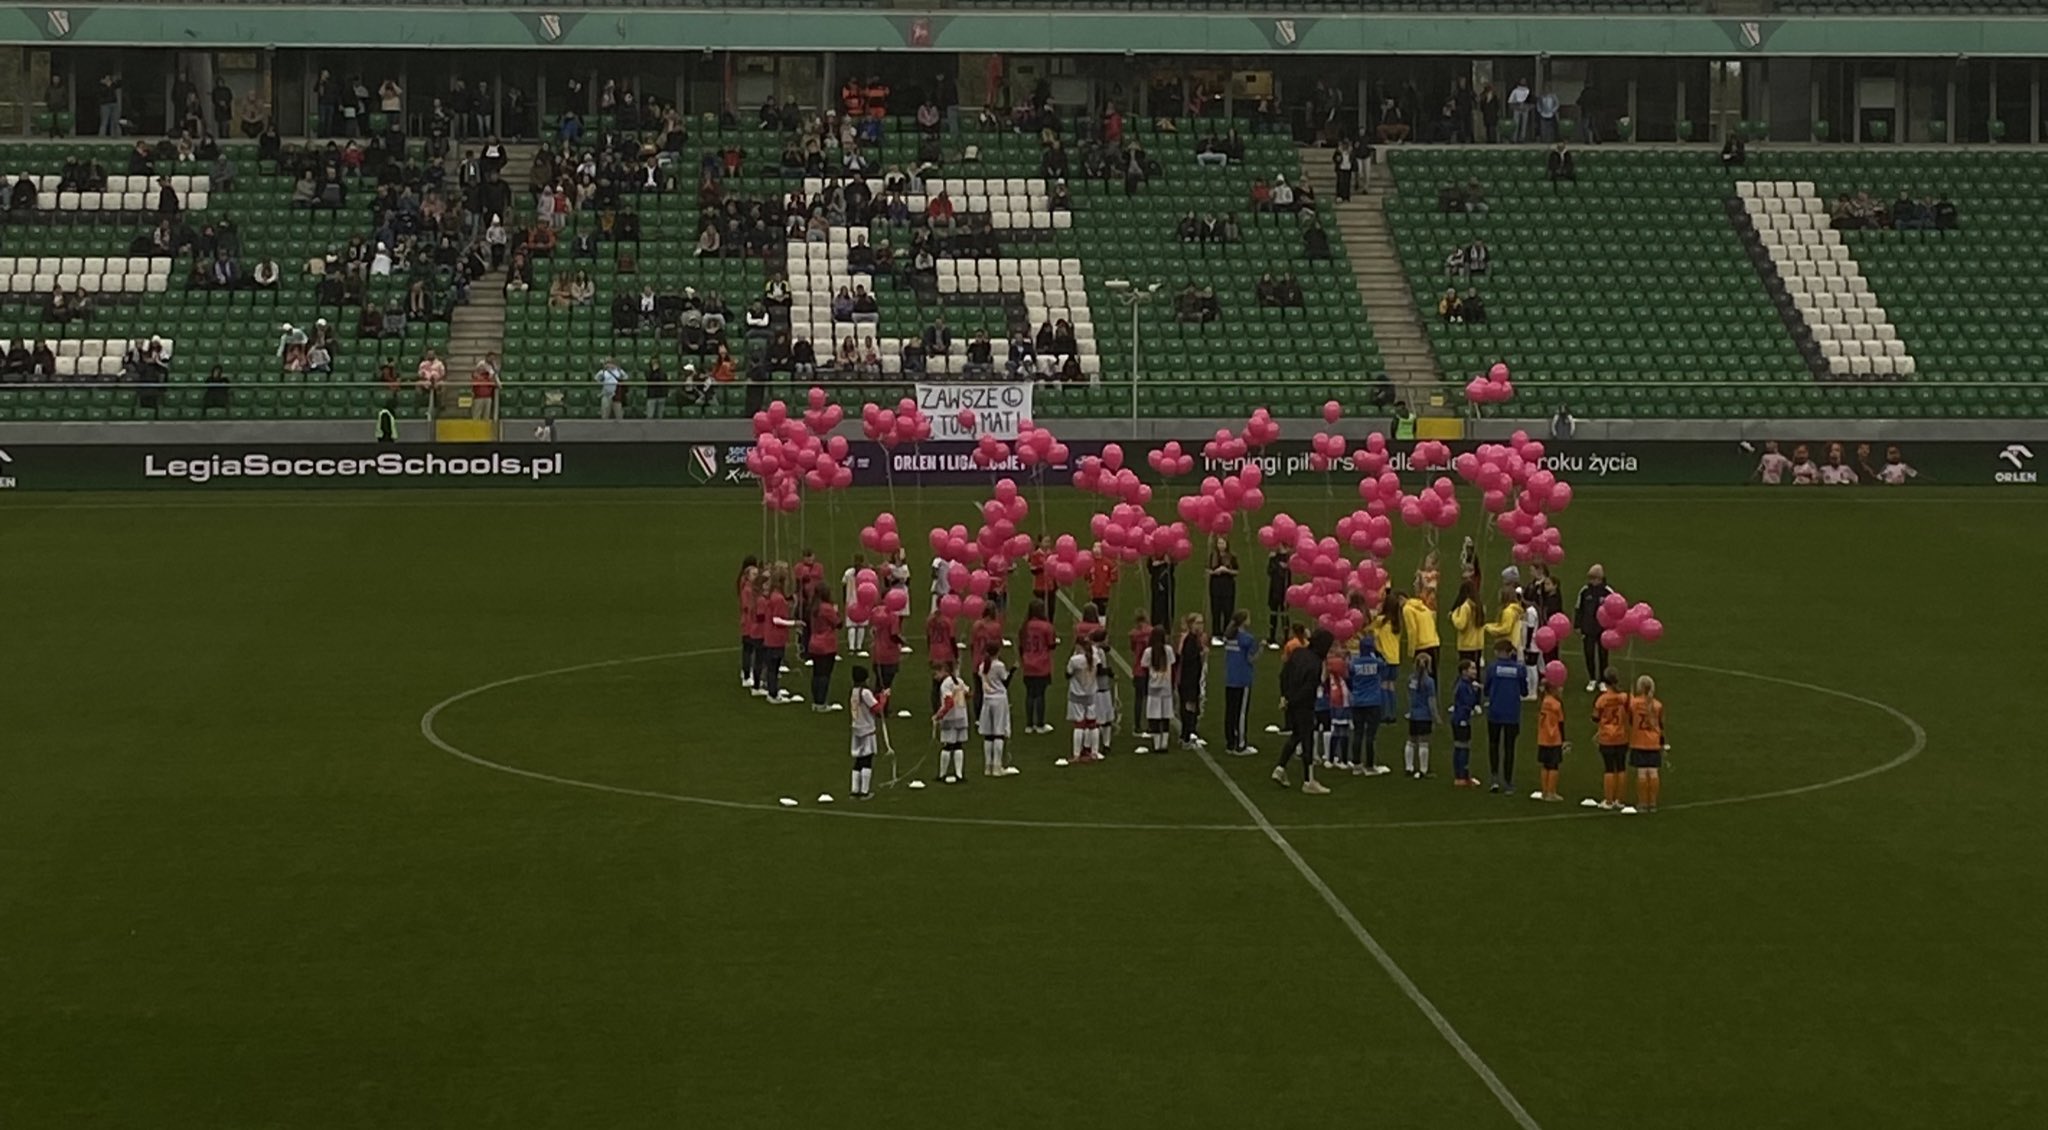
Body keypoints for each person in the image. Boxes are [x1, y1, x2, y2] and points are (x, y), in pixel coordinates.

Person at [1271, 628, 1333, 794]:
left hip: (1291, 700)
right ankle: (1308, 780)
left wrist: (1285, 697)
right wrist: (1291, 701)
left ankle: (1280, 767)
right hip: (1303, 705)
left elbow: (1284, 675)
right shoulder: (1315, 664)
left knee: (1297, 735)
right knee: (1307, 740)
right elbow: (1308, 689)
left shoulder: (1298, 653)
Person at [1484, 641, 1527, 794]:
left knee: (1493, 745)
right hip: (1512, 713)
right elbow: (1524, 691)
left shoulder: (1492, 668)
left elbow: (1486, 690)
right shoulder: (1519, 669)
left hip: (1495, 712)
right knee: (1509, 748)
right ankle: (1508, 782)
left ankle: (1494, 779)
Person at [1346, 630, 1388, 776]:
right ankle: (1370, 765)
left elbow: (1348, 678)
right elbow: (1385, 663)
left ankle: (1356, 764)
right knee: (1371, 735)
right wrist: (1377, 652)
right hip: (1373, 701)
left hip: (1358, 701)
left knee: (1358, 733)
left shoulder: (1354, 663)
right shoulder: (1377, 663)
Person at [1627, 675, 1667, 813]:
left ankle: (1643, 803)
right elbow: (1661, 724)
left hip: (1638, 741)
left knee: (1642, 773)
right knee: (1653, 772)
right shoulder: (1658, 705)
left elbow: (1631, 720)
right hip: (1653, 742)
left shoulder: (1633, 703)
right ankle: (1653, 803)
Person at [758, 572, 800, 705]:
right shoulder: (778, 599)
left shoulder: (774, 596)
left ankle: (773, 690)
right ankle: (773, 694)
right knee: (773, 667)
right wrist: (794, 623)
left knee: (773, 667)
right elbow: (776, 619)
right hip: (775, 638)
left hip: (771, 637)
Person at [1222, 609, 1259, 756]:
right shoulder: (1247, 638)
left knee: (1230, 712)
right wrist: (1260, 649)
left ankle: (1230, 743)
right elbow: (1251, 659)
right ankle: (1241, 745)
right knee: (1241, 713)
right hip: (1242, 679)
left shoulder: (1229, 636)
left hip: (1230, 678)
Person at [1594, 669, 1631, 811]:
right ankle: (1619, 800)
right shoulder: (1624, 697)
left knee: (1609, 769)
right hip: (1621, 736)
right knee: (1621, 768)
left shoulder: (1602, 699)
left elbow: (1595, 717)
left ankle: (1608, 801)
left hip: (1606, 737)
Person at [1019, 599, 1058, 735]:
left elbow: (1020, 645)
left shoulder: (1025, 626)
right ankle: (1040, 724)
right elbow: (1052, 644)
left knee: (1030, 694)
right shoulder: (1046, 626)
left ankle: (1029, 724)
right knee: (1040, 694)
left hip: (1028, 663)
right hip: (1042, 664)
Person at [978, 644, 1017, 777]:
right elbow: (1005, 682)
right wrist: (1013, 670)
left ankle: (987, 766)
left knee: (988, 735)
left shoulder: (982, 666)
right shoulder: (999, 666)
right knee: (998, 733)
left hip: (987, 700)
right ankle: (997, 766)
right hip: (999, 699)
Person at [848, 667, 887, 801]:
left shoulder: (854, 691)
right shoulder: (865, 692)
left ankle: (854, 790)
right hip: (867, 729)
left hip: (856, 728)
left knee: (858, 760)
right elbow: (877, 709)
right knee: (867, 760)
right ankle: (864, 791)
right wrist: (883, 698)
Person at [1066, 636, 1105, 765]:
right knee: (1092, 724)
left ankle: (1077, 754)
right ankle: (1094, 752)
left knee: (1079, 724)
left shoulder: (1075, 660)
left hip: (1077, 694)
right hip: (1091, 692)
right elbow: (1099, 670)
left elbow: (1068, 673)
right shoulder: (1094, 658)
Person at [1574, 565, 1614, 691]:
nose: (1592, 581)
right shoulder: (1584, 591)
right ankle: (1592, 679)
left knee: (1603, 655)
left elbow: (1615, 609)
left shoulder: (1608, 592)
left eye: (1594, 578)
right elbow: (1578, 608)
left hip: (1603, 630)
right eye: (1590, 578)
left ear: (1600, 578)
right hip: (1588, 628)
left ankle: (1602, 680)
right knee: (1589, 654)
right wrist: (1578, 625)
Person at [932, 660, 971, 785]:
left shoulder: (945, 684)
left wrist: (939, 715)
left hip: (950, 718)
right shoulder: (959, 681)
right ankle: (959, 774)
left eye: (937, 672)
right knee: (959, 745)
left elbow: (949, 703)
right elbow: (968, 693)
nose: (935, 675)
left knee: (947, 746)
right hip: (962, 716)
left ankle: (942, 774)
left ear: (944, 671)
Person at [808, 585, 843, 712]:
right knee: (824, 675)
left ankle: (816, 701)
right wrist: (836, 612)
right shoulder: (827, 608)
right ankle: (821, 702)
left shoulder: (813, 607)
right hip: (826, 644)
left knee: (816, 673)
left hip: (814, 642)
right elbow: (838, 623)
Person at [1176, 614, 1207, 751]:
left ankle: (1186, 734)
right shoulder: (1190, 640)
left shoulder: (1194, 639)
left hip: (1190, 678)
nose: (1200, 625)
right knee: (1189, 707)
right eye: (1198, 623)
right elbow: (1189, 658)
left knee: (1190, 706)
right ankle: (1188, 735)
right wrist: (1202, 653)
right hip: (1188, 679)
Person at [1405, 653, 1438, 780]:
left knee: (1411, 741)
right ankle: (1423, 770)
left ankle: (1409, 767)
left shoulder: (1410, 679)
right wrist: (1435, 716)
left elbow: (1409, 695)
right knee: (1423, 742)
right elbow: (1431, 701)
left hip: (1413, 714)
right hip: (1424, 715)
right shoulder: (1429, 682)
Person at [1142, 628, 1175, 753]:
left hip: (1153, 688)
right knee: (1165, 716)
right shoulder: (1169, 650)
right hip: (1166, 688)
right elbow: (1173, 663)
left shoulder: (1148, 652)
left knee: (1154, 717)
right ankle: (1164, 744)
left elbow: (1144, 667)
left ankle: (1156, 745)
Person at [1450, 659, 1482, 787]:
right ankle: (1461, 776)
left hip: (1460, 718)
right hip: (1461, 719)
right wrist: (1475, 693)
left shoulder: (1464, 684)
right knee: (1462, 747)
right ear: (1464, 671)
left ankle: (1462, 775)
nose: (1475, 671)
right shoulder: (1464, 686)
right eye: (1472, 668)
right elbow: (1468, 702)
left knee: (1461, 747)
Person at [1534, 677, 1566, 802]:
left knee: (1545, 765)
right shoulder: (1556, 704)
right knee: (1553, 766)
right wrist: (1563, 739)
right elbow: (1561, 722)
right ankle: (1551, 792)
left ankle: (1544, 791)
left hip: (1543, 737)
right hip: (1554, 737)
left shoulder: (1543, 701)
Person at [925, 602, 957, 716]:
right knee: (949, 683)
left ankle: (936, 710)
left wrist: (930, 650)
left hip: (934, 653)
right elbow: (952, 638)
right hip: (946, 653)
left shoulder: (930, 620)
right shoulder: (948, 620)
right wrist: (956, 654)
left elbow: (928, 637)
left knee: (935, 685)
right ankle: (948, 709)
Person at [1206, 537, 1238, 645]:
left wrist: (1227, 570)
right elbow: (1208, 570)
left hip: (1228, 587)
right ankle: (1216, 634)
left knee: (1228, 610)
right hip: (1215, 587)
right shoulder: (1213, 556)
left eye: (1223, 543)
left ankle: (1227, 634)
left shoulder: (1232, 556)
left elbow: (1236, 571)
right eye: (1219, 543)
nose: (1221, 545)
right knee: (1216, 611)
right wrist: (1215, 572)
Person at [737, 558, 762, 691]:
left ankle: (747, 673)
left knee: (749, 649)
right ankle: (746, 676)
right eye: (754, 574)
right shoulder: (747, 590)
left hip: (748, 622)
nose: (756, 577)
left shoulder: (749, 587)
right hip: (748, 623)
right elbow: (747, 606)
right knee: (748, 650)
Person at [1265, 543, 1292, 648]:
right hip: (1274, 589)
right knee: (1274, 613)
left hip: (1285, 589)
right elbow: (1269, 571)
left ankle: (1286, 638)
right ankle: (1272, 637)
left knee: (1285, 613)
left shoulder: (1289, 559)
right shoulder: (1273, 558)